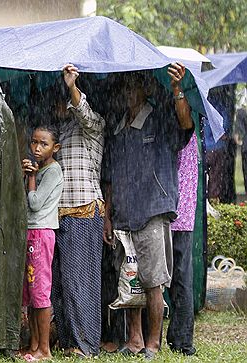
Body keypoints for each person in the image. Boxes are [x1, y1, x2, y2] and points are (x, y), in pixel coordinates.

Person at [102, 62, 193, 359]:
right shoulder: (118, 128)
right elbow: (111, 177)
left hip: (152, 211)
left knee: (154, 281)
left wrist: (176, 90)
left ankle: (153, 343)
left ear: (144, 89)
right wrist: (107, 215)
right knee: (130, 279)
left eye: (132, 87)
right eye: (123, 88)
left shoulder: (159, 117)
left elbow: (185, 125)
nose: (127, 93)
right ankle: (135, 340)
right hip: (124, 215)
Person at [50, 64, 106, 358]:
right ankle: (71, 341)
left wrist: (72, 86)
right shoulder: (60, 129)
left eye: (61, 100)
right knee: (63, 281)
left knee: (80, 279)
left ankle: (87, 343)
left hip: (84, 210)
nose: (57, 106)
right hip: (60, 214)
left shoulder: (92, 124)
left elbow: (82, 111)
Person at [21, 125, 63, 361]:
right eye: (34, 142)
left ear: (55, 148)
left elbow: (35, 203)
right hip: (31, 232)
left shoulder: (53, 171)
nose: (37, 148)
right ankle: (34, 344)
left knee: (40, 293)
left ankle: (44, 350)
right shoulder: (40, 168)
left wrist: (32, 177)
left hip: (41, 233)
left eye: (43, 144)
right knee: (30, 291)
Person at [167, 133, 198, 356]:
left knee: (179, 279)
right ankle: (180, 338)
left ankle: (183, 340)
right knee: (180, 277)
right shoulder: (188, 136)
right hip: (180, 214)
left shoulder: (183, 134)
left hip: (174, 214)